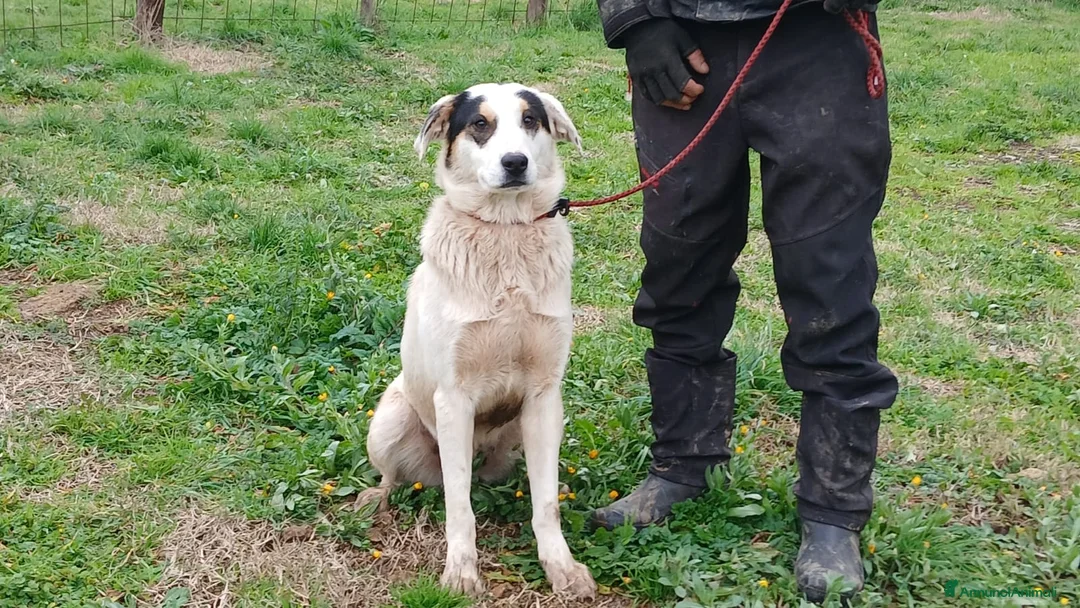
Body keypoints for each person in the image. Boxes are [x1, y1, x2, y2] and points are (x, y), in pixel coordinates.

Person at [588, 0, 897, 602]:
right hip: (680, 42)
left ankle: (834, 511)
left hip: (818, 38)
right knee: (679, 259)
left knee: (828, 274)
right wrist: (635, 22)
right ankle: (681, 463)